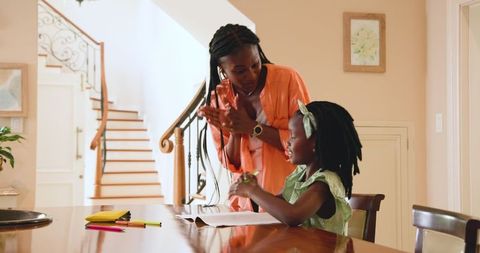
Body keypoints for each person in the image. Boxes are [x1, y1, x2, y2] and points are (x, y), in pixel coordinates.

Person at [197, 24, 311, 211]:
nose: (251, 75)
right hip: (245, 203)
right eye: (240, 71)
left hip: (288, 198)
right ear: (222, 69)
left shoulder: (287, 79)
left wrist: (252, 127)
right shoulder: (219, 99)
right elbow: (232, 164)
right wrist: (235, 131)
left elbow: (306, 140)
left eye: (255, 64)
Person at [228, 100, 362, 235]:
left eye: (293, 136)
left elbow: (293, 215)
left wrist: (253, 191)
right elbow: (280, 203)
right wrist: (254, 188)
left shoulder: (323, 184)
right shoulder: (301, 174)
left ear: (315, 143)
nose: (288, 142)